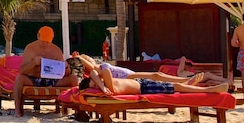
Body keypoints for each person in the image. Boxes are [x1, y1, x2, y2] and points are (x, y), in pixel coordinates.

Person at [14, 26, 78, 117]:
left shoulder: (56, 51)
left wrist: (66, 68)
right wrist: (33, 63)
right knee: (19, 78)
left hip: (52, 80)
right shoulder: (30, 48)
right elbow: (22, 70)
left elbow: (66, 73)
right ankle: (17, 110)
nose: (45, 44)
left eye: (47, 42)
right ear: (38, 37)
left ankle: (78, 110)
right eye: (42, 41)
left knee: (74, 79)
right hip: (34, 79)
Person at [72, 53, 229, 86]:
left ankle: (185, 81)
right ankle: (185, 81)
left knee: (157, 75)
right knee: (156, 75)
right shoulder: (96, 69)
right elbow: (90, 67)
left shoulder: (98, 67)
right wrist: (78, 58)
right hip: (127, 79)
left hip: (128, 76)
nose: (92, 59)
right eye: (88, 58)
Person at [81, 66, 229, 96]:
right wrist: (101, 85)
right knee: (176, 87)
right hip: (144, 89)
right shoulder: (110, 88)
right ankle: (209, 90)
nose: (97, 82)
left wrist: (98, 84)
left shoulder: (104, 85)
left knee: (175, 84)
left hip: (141, 82)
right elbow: (104, 71)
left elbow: (94, 72)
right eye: (94, 84)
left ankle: (188, 84)